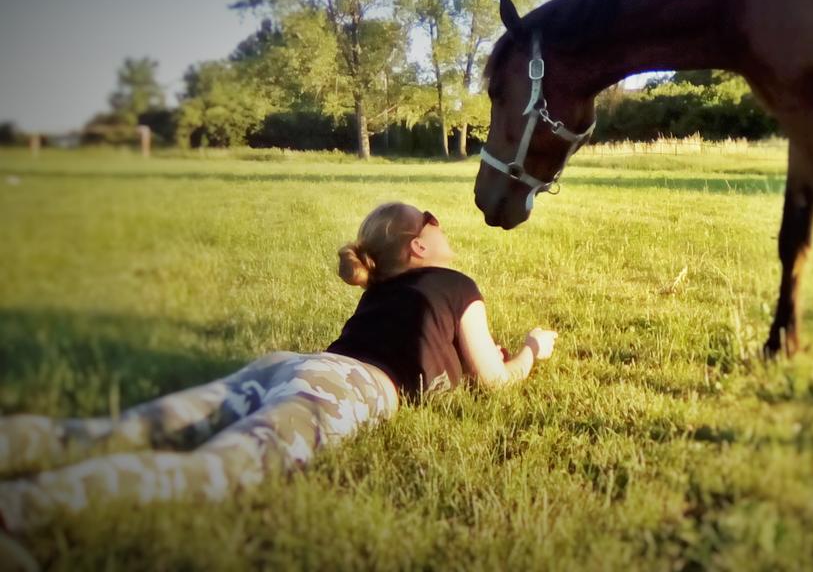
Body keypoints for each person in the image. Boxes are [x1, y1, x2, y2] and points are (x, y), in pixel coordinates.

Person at [0, 201, 557, 541]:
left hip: (295, 365)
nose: (442, 228)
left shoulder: (387, 288)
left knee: (142, 424)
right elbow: (494, 381)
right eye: (434, 221)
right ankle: (25, 508)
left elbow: (438, 351)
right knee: (226, 468)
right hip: (350, 388)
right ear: (419, 243)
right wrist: (530, 349)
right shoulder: (457, 283)